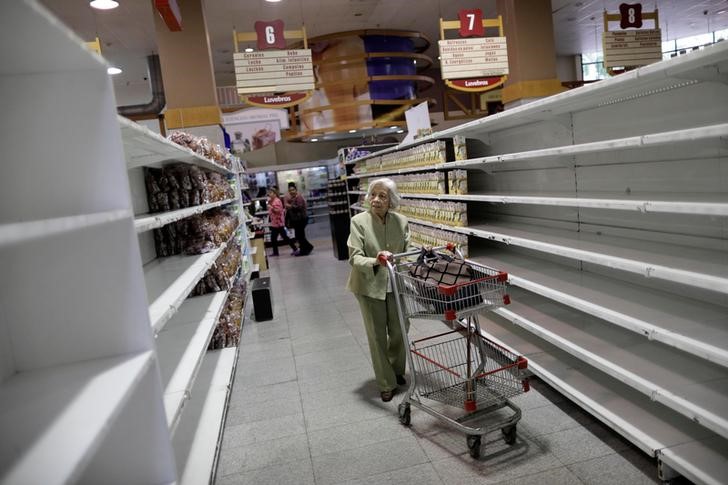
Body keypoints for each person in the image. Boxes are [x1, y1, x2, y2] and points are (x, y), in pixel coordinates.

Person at [346, 178, 411, 402]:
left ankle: (396, 369)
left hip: (394, 284)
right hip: (368, 284)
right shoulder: (358, 222)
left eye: (382, 196)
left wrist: (422, 255)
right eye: (373, 195)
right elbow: (355, 258)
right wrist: (376, 260)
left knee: (400, 329)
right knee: (376, 335)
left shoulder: (401, 222)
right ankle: (385, 382)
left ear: (391, 201)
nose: (376, 200)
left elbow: (408, 252)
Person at [283, 182, 314, 256]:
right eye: (290, 190)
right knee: (299, 236)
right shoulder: (293, 198)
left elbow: (299, 208)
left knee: (300, 236)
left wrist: (289, 206)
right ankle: (307, 247)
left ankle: (305, 250)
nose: (291, 191)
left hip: (301, 220)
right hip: (297, 220)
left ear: (296, 190)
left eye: (293, 190)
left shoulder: (299, 197)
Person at [267, 186, 298, 257]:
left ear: (275, 194)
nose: (269, 194)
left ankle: (294, 248)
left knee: (283, 237)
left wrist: (271, 208)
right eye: (269, 193)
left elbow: (278, 211)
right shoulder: (272, 201)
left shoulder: (277, 201)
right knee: (275, 238)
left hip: (278, 223)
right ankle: (276, 252)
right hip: (275, 223)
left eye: (271, 193)